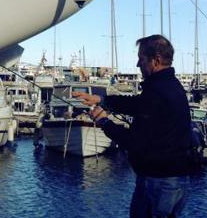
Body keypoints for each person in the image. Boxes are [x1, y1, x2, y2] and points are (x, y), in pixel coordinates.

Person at [73, 35, 193, 218]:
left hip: (158, 182)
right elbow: (138, 105)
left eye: (141, 58)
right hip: (173, 179)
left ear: (156, 60)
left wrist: (105, 122)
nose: (138, 64)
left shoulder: (159, 91)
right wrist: (102, 100)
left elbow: (136, 141)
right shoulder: (170, 86)